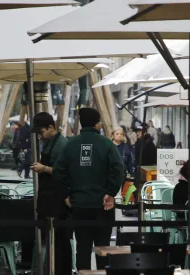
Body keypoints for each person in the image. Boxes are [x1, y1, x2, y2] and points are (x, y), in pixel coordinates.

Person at [54, 108, 124, 270]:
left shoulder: (70, 144)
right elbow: (119, 169)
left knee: (83, 249)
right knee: (103, 250)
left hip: (79, 204)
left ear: (81, 124)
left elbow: (58, 171)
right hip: (103, 205)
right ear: (97, 124)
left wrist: (66, 194)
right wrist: (110, 193)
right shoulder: (107, 144)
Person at [29, 112, 72, 274]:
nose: (40, 136)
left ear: (51, 127)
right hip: (48, 197)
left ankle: (61, 271)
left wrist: (44, 168)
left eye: (41, 132)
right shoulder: (49, 143)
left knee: (60, 240)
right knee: (52, 239)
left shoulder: (62, 144)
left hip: (58, 199)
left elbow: (64, 173)